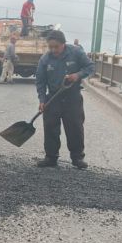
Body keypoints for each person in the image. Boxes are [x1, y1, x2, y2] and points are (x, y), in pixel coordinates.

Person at [35, 29, 94, 169]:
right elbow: (40, 81)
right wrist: (42, 100)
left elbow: (90, 67)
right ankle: (51, 157)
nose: (53, 50)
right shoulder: (45, 59)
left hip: (72, 97)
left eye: (56, 46)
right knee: (50, 128)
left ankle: (77, 158)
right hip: (53, 98)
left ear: (63, 44)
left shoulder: (76, 52)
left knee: (75, 128)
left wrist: (78, 75)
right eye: (50, 47)